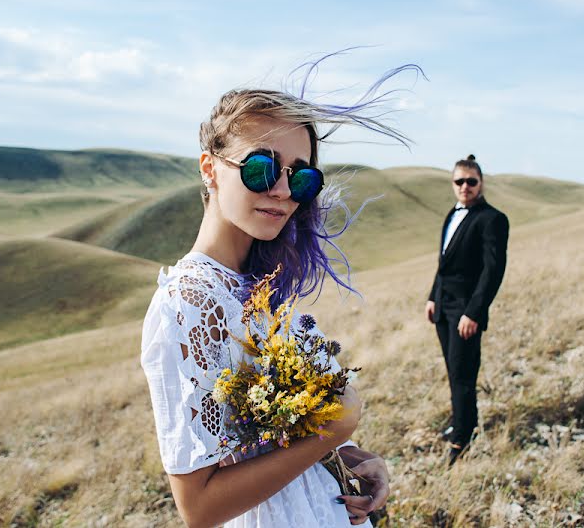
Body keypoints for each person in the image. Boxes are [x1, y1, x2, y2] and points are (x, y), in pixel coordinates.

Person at [141, 64, 420, 527]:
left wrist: (350, 457)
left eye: (302, 176)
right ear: (210, 168)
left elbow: (277, 441)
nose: (284, 190)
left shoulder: (259, 289)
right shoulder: (188, 301)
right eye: (261, 167)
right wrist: (334, 429)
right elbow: (200, 507)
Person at [425, 154, 509, 466]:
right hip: (443, 309)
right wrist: (433, 296)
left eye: (471, 181)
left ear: (481, 183)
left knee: (463, 375)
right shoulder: (452, 214)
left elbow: (492, 271)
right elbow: (444, 264)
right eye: (459, 181)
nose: (465, 187)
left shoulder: (493, 219)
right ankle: (460, 422)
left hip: (465, 313)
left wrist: (474, 312)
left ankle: (463, 438)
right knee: (453, 369)